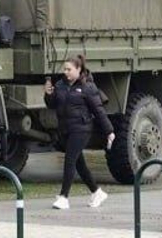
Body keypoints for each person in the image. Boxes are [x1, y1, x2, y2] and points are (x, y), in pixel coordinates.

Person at [44, 54, 114, 211]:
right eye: (65, 69)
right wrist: (48, 95)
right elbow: (52, 104)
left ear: (78, 69)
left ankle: (64, 197)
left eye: (69, 69)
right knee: (79, 163)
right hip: (66, 129)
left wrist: (109, 131)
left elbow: (99, 110)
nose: (66, 72)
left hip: (82, 129)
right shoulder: (60, 85)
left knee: (70, 160)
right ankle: (97, 192)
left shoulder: (87, 87)